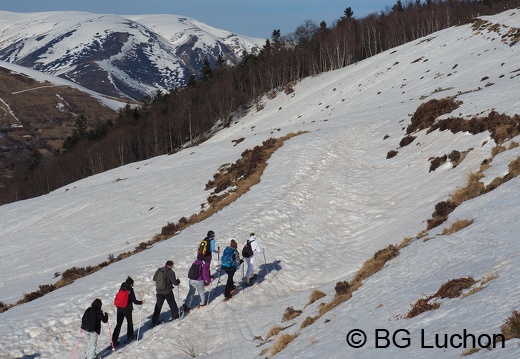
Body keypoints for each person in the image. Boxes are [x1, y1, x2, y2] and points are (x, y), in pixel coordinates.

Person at [111, 276, 144, 347]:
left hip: (119, 308)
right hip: (127, 309)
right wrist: (141, 302)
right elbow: (134, 301)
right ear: (131, 284)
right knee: (129, 323)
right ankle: (130, 337)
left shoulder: (122, 287)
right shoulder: (130, 290)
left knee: (118, 324)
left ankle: (114, 341)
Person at [151, 260, 181, 326]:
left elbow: (154, 279)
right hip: (167, 291)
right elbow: (175, 283)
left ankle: (155, 321)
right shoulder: (170, 272)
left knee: (158, 306)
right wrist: (178, 281)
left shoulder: (159, 270)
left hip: (159, 291)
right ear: (171, 265)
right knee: (172, 303)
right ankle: (175, 316)